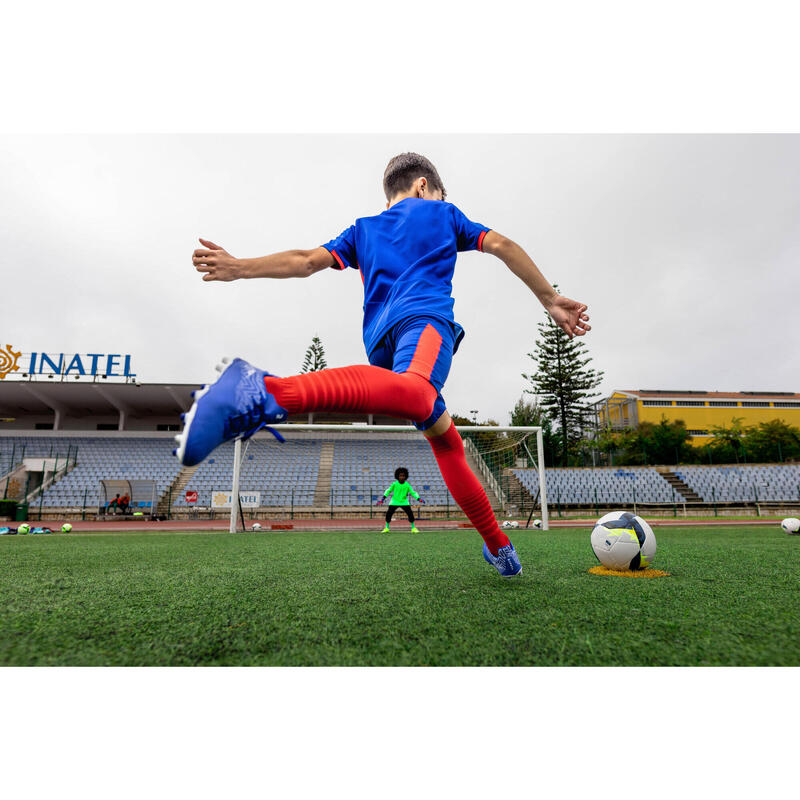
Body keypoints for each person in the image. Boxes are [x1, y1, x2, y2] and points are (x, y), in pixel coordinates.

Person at [177, 153, 591, 577]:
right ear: (424, 186)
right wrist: (549, 299)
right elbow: (501, 245)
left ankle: (499, 546)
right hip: (424, 324)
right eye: (439, 193)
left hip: (383, 346)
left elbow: (305, 261)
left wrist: (238, 267)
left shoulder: (362, 229)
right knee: (416, 393)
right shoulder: (443, 213)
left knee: (446, 440)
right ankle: (263, 391)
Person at [377, 467, 423, 534]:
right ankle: (387, 528)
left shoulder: (407, 485)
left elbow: (413, 492)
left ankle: (413, 528)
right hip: (394, 502)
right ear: (397, 476)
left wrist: (418, 498)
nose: (402, 477)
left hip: (404, 502)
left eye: (403, 476)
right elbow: (388, 490)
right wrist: (383, 498)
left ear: (406, 476)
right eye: (400, 476)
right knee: (388, 514)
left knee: (410, 514)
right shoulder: (394, 484)